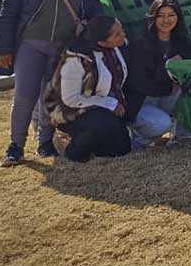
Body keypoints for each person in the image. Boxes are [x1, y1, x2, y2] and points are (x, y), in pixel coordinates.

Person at [0, 0, 102, 166]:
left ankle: (45, 141)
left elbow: (93, 7)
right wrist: (4, 49)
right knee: (24, 95)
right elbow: (8, 12)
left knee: (50, 96)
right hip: (31, 44)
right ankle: (16, 145)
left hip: (63, 46)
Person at [44, 15, 131, 163]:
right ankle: (73, 150)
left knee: (122, 149)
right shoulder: (76, 59)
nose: (123, 34)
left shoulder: (116, 47)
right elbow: (70, 99)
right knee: (103, 123)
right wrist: (110, 103)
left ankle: (97, 143)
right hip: (70, 110)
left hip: (101, 103)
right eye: (117, 34)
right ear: (101, 42)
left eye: (121, 29)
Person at [125, 0, 186, 147]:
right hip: (143, 101)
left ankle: (176, 131)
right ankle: (138, 137)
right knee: (162, 124)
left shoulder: (182, 42)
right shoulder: (140, 45)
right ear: (153, 17)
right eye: (161, 16)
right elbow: (138, 83)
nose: (166, 20)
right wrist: (168, 67)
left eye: (171, 15)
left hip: (167, 97)